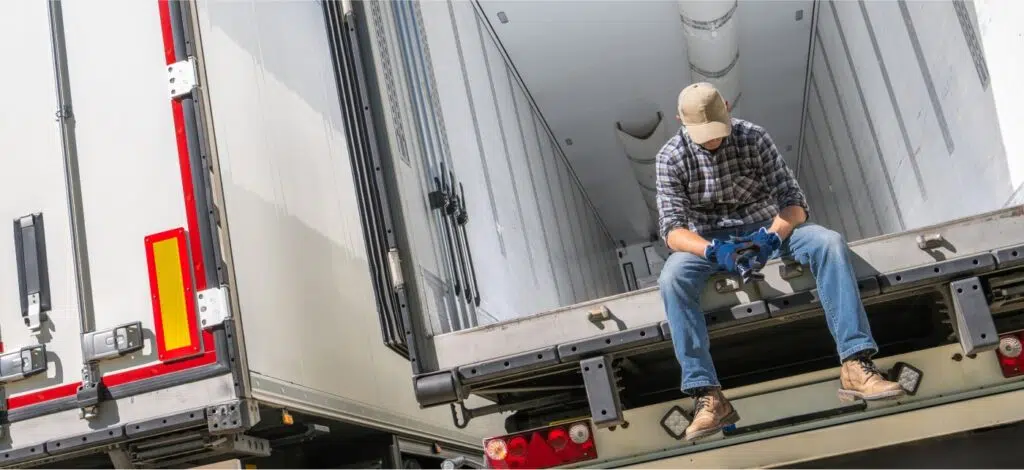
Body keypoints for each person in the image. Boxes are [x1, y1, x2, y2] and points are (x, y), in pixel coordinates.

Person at [655, 82, 904, 442]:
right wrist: (713, 251)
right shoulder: (670, 158)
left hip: (767, 227)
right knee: (672, 279)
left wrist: (771, 236)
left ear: (727, 107)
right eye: (702, 136)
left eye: (717, 132)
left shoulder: (754, 138)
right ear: (680, 121)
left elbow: (794, 203)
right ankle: (707, 395)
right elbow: (673, 231)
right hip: (707, 240)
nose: (712, 142)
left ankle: (855, 363)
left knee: (829, 243)